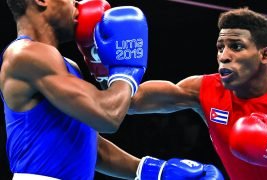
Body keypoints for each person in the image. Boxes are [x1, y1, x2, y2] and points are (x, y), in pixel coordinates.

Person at [126, 7, 267, 179]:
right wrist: (110, 70)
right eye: (220, 47)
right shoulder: (203, 89)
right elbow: (128, 104)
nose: (224, 56)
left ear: (265, 55)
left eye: (236, 47)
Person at [0, 0, 224, 179]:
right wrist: (126, 70)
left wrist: (153, 170)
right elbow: (107, 116)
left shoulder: (66, 66)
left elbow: (88, 144)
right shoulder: (25, 54)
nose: (78, 5)